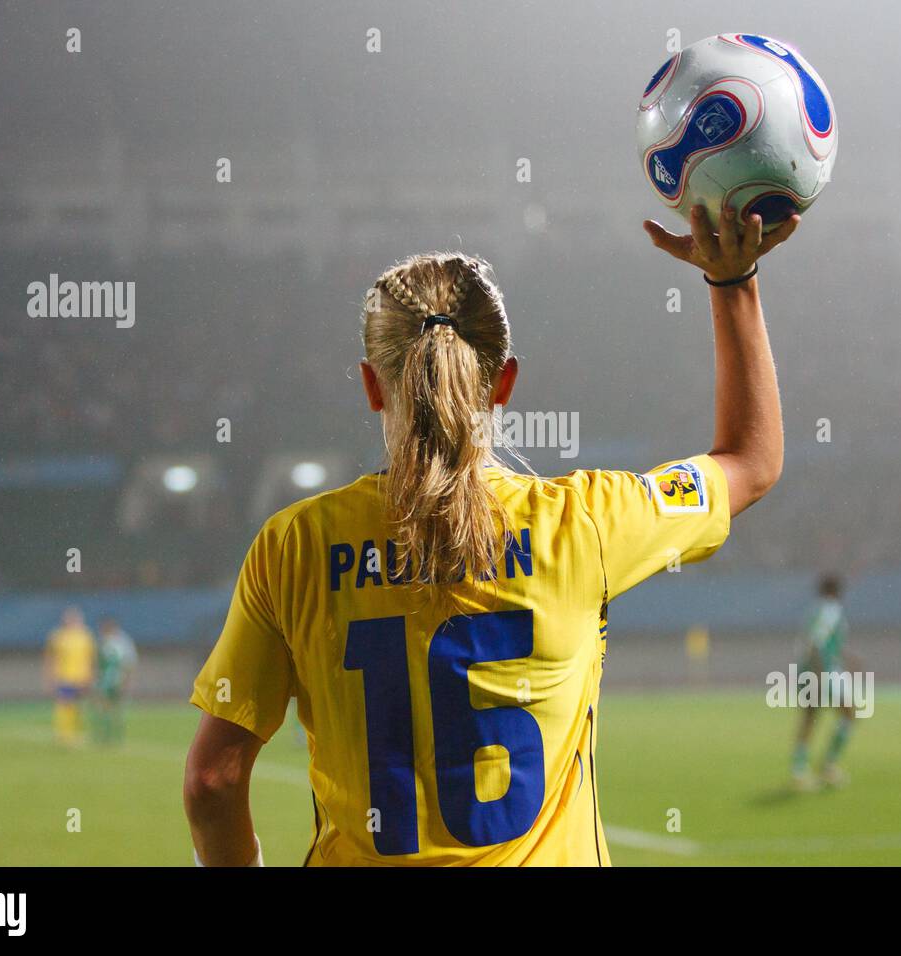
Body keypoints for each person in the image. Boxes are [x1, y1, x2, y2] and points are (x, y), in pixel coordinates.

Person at [184, 202, 799, 866]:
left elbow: (213, 782)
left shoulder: (295, 545)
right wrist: (733, 281)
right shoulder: (585, 523)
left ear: (370, 386)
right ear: (504, 380)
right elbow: (750, 460)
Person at [790, 574, 856, 791]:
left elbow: (819, 641)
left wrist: (847, 657)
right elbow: (818, 642)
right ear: (838, 591)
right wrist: (819, 672)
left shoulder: (815, 609)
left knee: (810, 717)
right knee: (848, 713)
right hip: (823, 671)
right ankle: (828, 765)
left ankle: (799, 771)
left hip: (808, 668)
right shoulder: (831, 609)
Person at [43, 607, 97, 746]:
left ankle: (77, 732)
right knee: (64, 705)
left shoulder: (86, 635)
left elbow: (91, 658)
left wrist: (91, 675)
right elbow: (51, 658)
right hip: (64, 676)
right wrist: (50, 677)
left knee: (79, 706)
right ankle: (64, 733)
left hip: (82, 676)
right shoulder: (58, 636)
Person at [93, 617, 138, 745]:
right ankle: (108, 735)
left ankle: (111, 736)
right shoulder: (105, 642)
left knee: (110, 708)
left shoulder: (119, 643)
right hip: (110, 680)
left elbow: (128, 664)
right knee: (109, 708)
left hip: (113, 680)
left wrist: (127, 680)